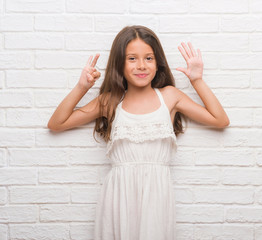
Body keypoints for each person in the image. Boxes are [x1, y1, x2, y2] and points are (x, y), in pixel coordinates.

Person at [47, 25, 229, 239]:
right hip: (119, 194)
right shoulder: (111, 100)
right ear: (120, 64)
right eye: (132, 58)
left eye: (149, 58)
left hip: (157, 194)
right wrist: (82, 87)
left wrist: (196, 80)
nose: (141, 66)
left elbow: (220, 120)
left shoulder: (170, 96)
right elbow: (57, 124)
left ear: (157, 62)